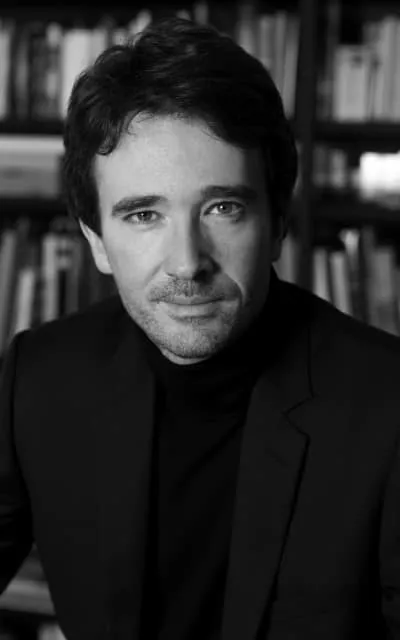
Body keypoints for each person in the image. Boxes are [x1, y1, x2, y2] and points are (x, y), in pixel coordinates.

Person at [1, 13, 400, 640]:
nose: (188, 263)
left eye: (222, 207)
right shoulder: (39, 378)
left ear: (278, 222)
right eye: (143, 215)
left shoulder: (388, 403)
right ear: (96, 241)